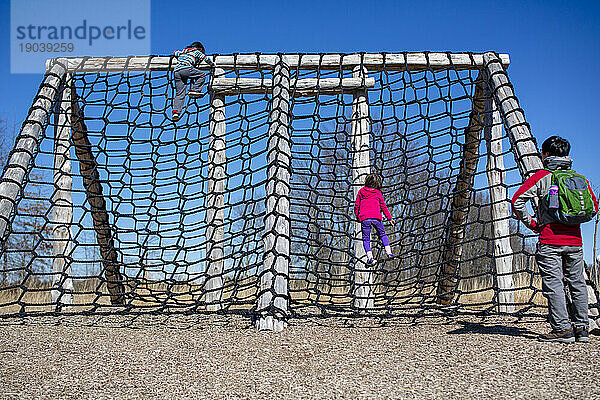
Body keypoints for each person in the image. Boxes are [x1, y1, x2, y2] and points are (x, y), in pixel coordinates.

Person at [512, 136, 598, 343]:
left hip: (550, 239)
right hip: (575, 241)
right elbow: (593, 207)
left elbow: (517, 201)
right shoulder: (580, 179)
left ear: (545, 154)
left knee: (554, 285)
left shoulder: (542, 177)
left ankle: (562, 329)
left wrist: (532, 224)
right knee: (577, 283)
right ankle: (582, 329)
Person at [354, 173, 396, 265]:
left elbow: (356, 205)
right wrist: (390, 218)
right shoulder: (378, 193)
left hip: (365, 218)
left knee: (366, 239)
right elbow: (383, 206)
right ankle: (389, 253)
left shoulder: (361, 191)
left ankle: (370, 258)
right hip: (376, 217)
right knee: (382, 234)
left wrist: (358, 216)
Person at [172, 41, 215, 121]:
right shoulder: (197, 52)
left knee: (180, 94)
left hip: (176, 72)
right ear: (200, 49)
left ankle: (176, 112)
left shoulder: (183, 51)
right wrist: (212, 64)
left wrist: (180, 54)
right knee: (202, 75)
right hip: (186, 68)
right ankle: (195, 90)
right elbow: (205, 58)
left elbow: (175, 52)